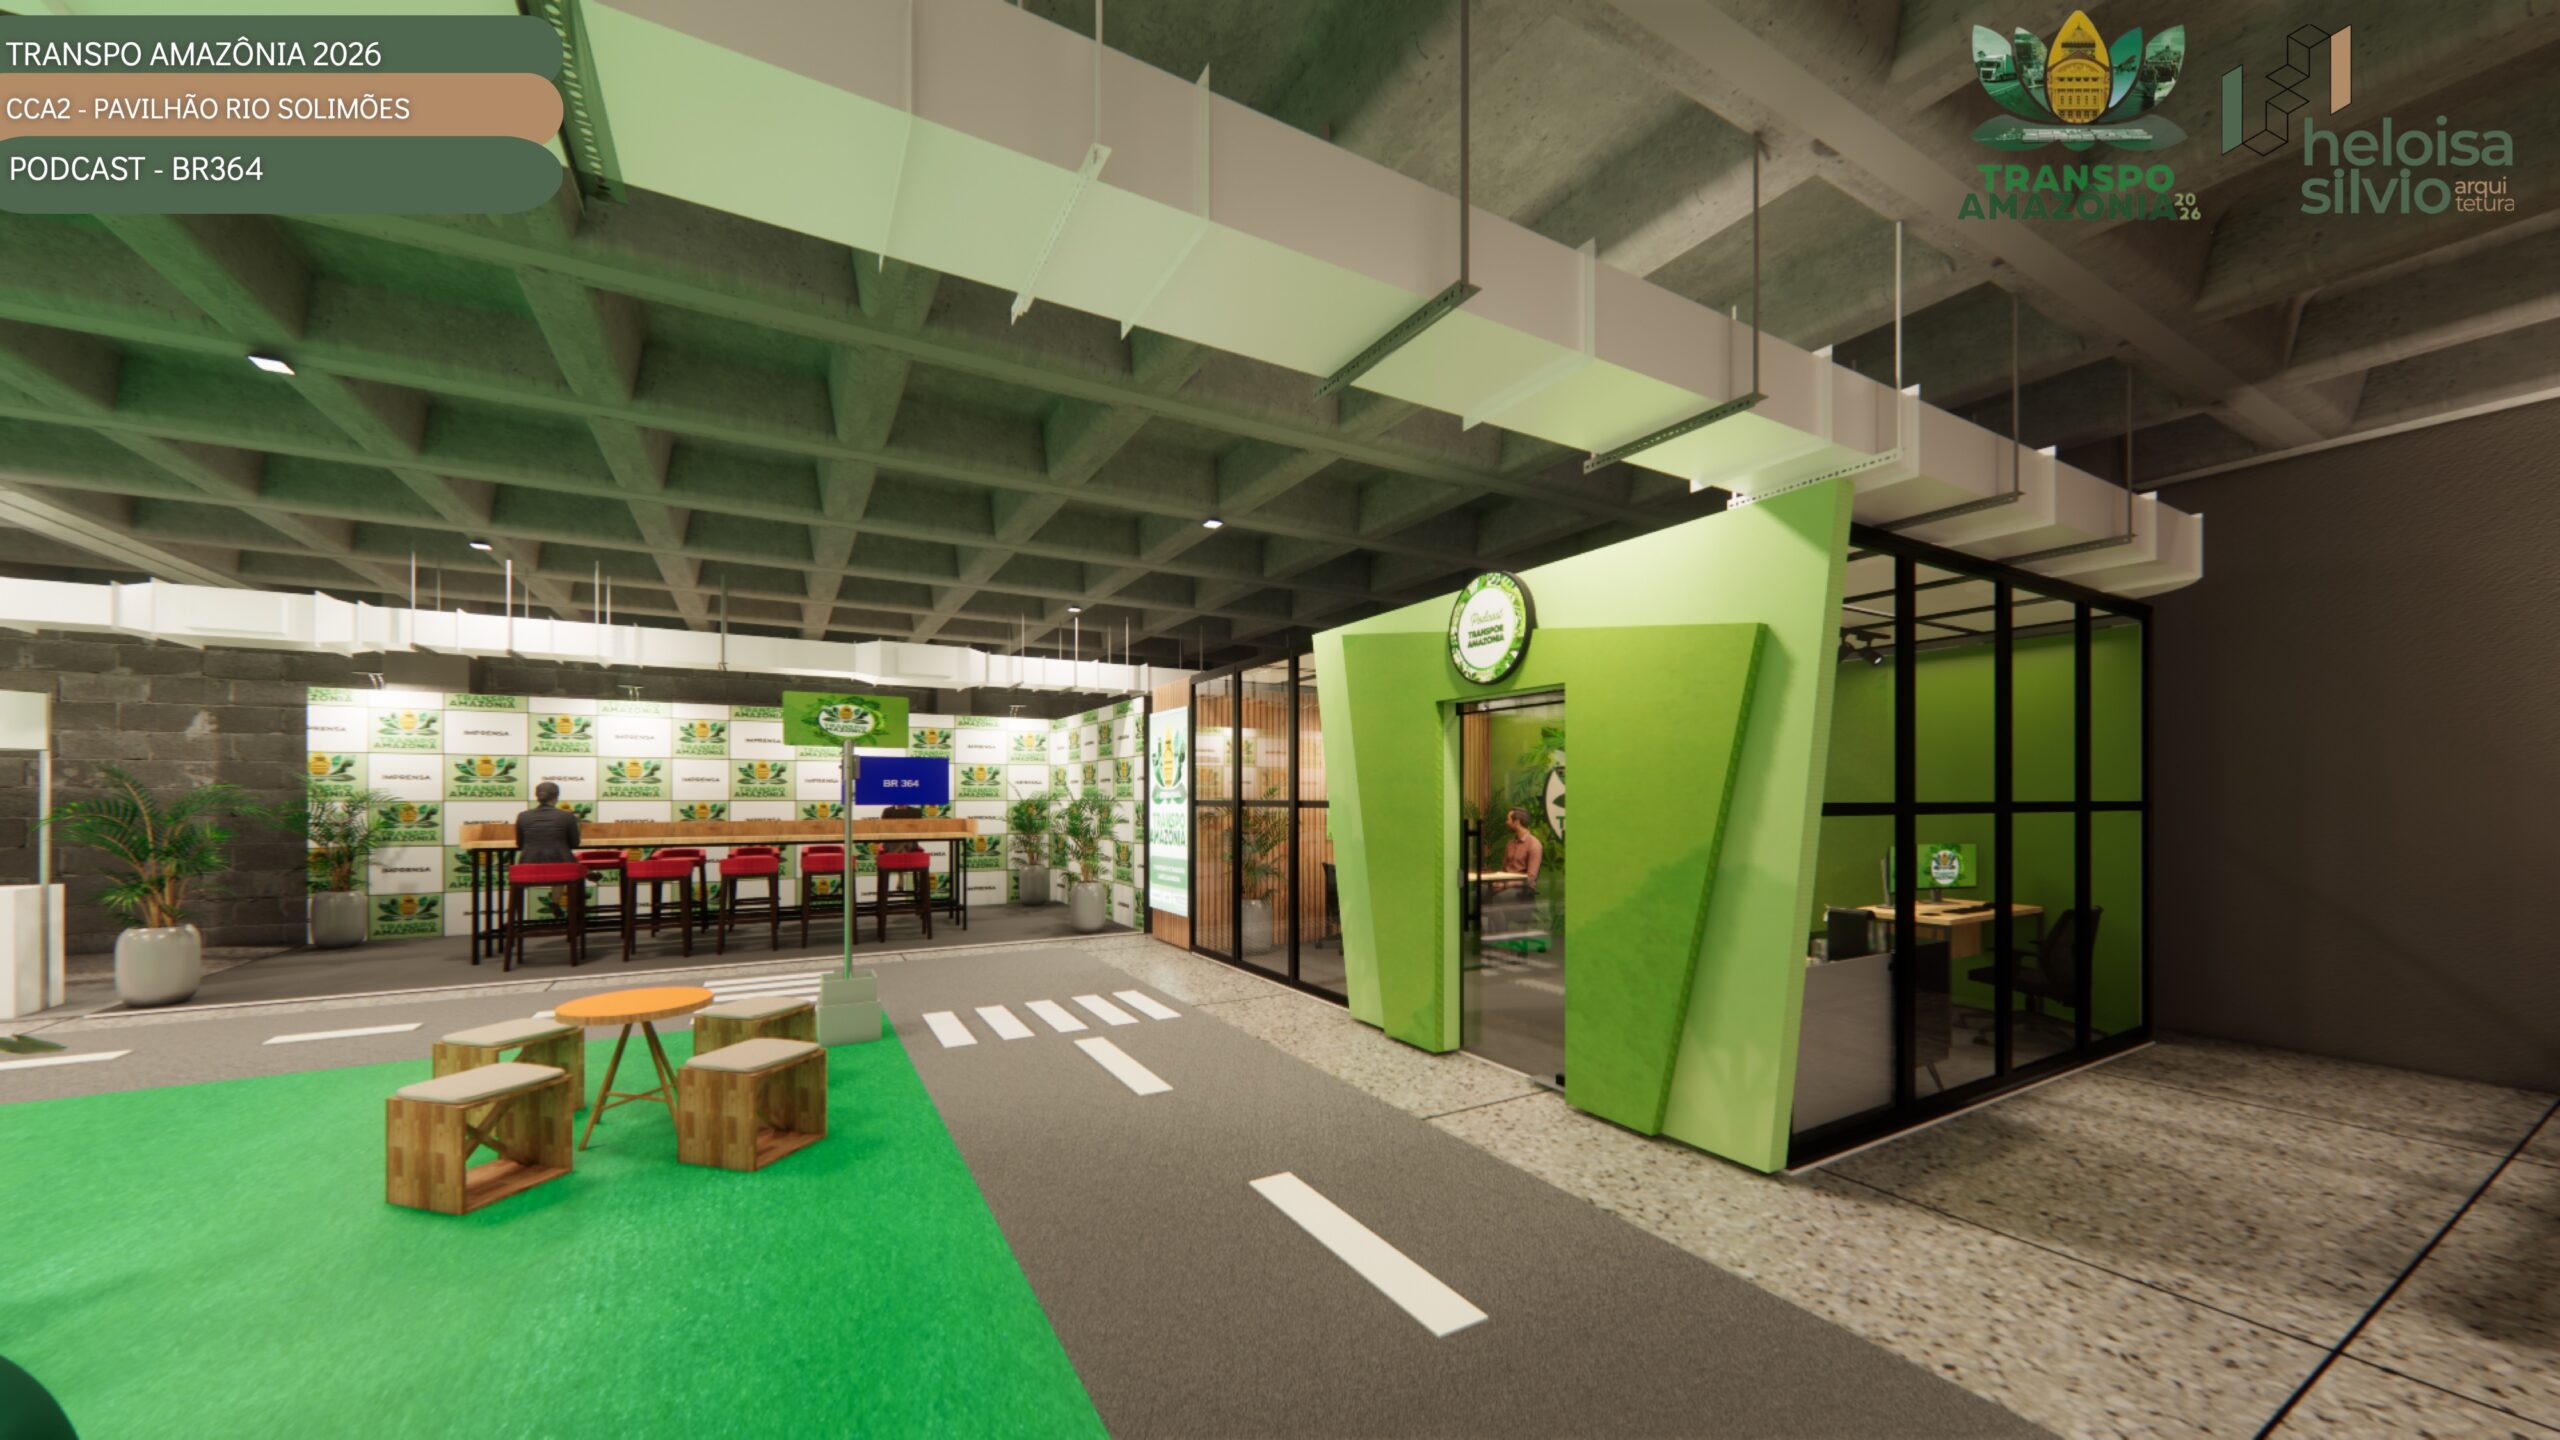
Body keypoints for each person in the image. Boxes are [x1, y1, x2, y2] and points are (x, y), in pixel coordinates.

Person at [514, 781, 581, 863]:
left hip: (529, 865)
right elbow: (574, 843)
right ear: (556, 797)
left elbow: (520, 844)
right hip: (562, 865)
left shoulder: (523, 816)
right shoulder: (567, 816)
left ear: (537, 797)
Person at [1496, 807, 1543, 896]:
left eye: (1508, 819)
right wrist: (1497, 881)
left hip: (1523, 888)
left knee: (1499, 897)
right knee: (1479, 893)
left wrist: (1506, 885)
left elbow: (1531, 878)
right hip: (1505, 884)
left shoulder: (1534, 845)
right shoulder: (1510, 844)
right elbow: (1504, 869)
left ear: (1517, 822)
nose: (1506, 822)